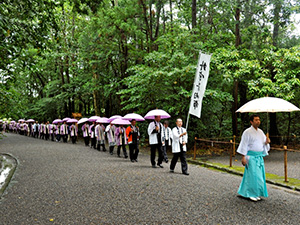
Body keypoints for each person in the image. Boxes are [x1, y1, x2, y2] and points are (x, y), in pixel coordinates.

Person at [237, 114, 270, 202]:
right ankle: (251, 193)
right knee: (253, 176)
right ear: (251, 122)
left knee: (259, 176)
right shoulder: (247, 132)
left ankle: (255, 192)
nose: (258, 121)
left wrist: (267, 142)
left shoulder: (261, 132)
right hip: (250, 157)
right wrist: (243, 157)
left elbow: (263, 144)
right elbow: (244, 144)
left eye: (259, 119)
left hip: (259, 157)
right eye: (256, 120)